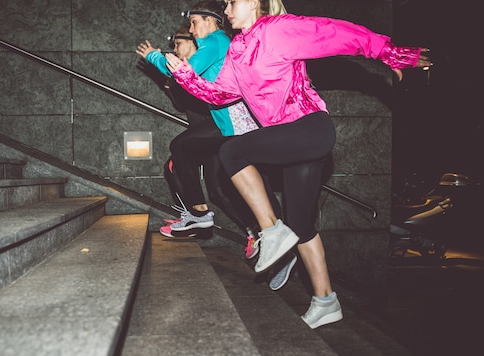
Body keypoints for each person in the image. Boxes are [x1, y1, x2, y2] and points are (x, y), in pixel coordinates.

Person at [166, 0, 431, 328]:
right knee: (302, 224)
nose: (227, 8)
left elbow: (335, 33)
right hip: (289, 141)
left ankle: (272, 231)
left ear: (253, 4)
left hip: (308, 128)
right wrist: (184, 75)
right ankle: (326, 300)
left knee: (232, 152)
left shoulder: (278, 30)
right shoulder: (237, 51)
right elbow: (220, 95)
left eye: (232, 2)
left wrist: (388, 52)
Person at [136, 1, 268, 259]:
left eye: (195, 23)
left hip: (232, 124)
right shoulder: (216, 45)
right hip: (226, 125)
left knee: (180, 148)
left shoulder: (214, 41)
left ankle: (200, 214)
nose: (193, 29)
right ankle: (257, 229)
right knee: (218, 187)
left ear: (209, 21)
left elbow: (186, 72)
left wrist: (154, 56)